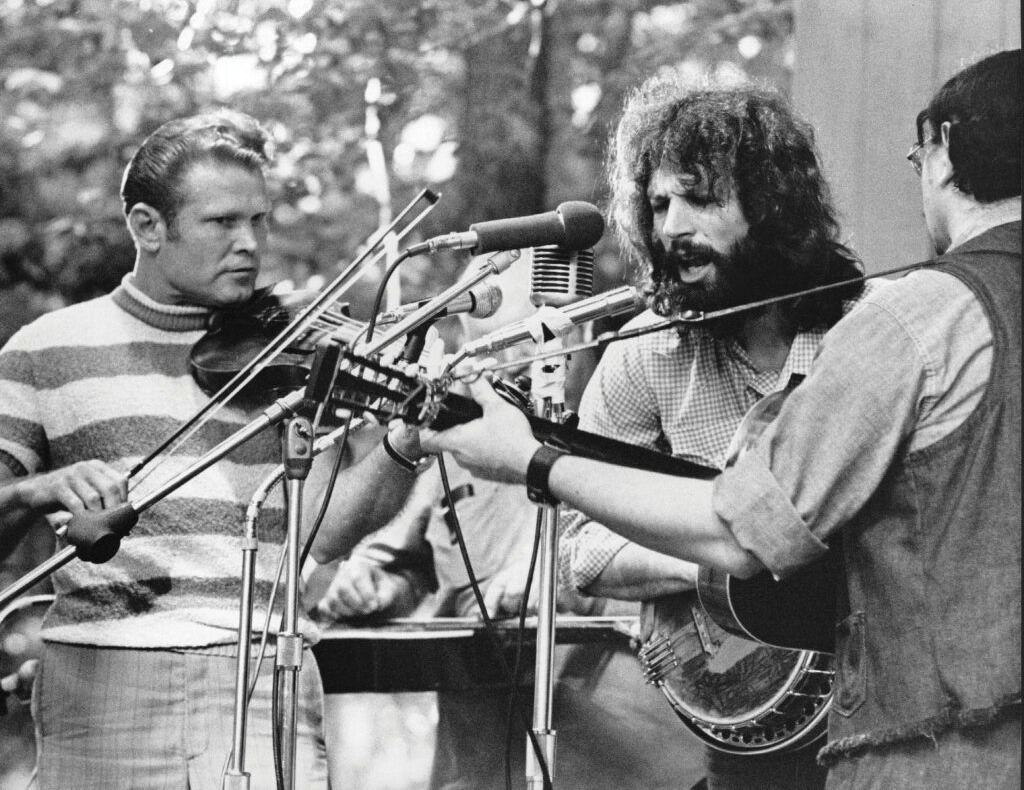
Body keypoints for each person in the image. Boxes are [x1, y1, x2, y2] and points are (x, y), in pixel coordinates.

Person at [421, 50, 1022, 789]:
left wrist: (739, 536)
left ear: (771, 204)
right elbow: (580, 552)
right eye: (659, 205)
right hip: (736, 710)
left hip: (887, 708)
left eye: (699, 200)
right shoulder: (643, 354)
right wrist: (717, 569)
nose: (672, 227)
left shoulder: (873, 326)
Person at [0, 109, 414, 789]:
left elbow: (319, 534)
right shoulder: (44, 350)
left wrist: (407, 437)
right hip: (102, 681)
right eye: (223, 223)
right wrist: (36, 489)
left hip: (257, 672)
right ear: (147, 227)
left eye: (260, 220)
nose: (250, 244)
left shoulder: (286, 353)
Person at [314, 254, 702, 790]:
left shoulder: (636, 424)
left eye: (517, 354)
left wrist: (553, 579)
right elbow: (404, 564)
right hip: (483, 751)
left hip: (624, 752)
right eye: (483, 354)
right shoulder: (453, 446)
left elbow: (705, 552)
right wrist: (373, 584)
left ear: (573, 330)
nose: (498, 382)